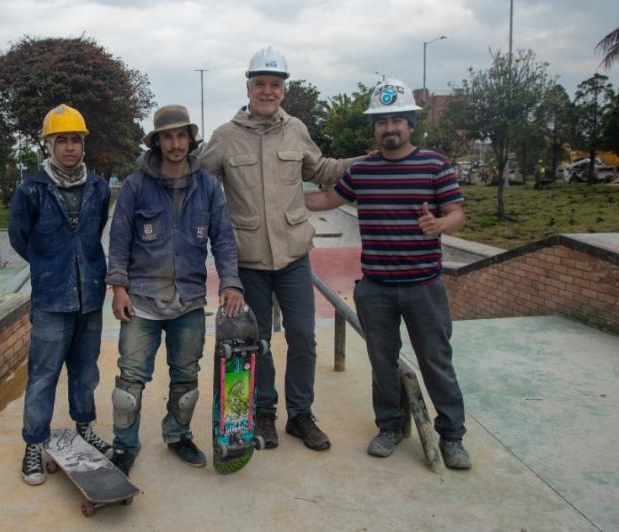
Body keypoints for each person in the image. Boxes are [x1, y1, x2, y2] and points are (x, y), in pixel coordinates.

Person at [304, 78, 472, 470]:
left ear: (411, 124)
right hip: (376, 287)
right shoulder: (363, 170)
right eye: (382, 122)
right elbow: (328, 198)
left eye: (397, 120)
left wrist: (440, 226)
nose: (389, 128)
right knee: (383, 365)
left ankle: (452, 436)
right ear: (374, 128)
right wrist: (277, 198)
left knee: (436, 362)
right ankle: (390, 427)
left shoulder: (435, 165)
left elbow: (458, 213)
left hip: (423, 286)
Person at [198, 46, 358, 452]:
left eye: (275, 84)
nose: (267, 91)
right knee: (259, 342)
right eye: (260, 84)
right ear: (249, 87)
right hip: (248, 261)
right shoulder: (226, 136)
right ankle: (264, 413)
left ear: (284, 90)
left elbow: (320, 171)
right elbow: (198, 180)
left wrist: (366, 162)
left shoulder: (296, 130)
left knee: (303, 337)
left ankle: (301, 415)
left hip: (293, 259)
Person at [107, 105, 244, 474]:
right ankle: (124, 446)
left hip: (189, 302)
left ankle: (178, 435)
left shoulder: (208, 186)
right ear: (157, 141)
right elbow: (119, 241)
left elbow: (225, 241)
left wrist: (231, 281)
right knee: (128, 384)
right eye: (167, 136)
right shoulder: (136, 185)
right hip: (141, 301)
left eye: (182, 135)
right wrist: (118, 287)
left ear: (191, 139)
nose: (175, 143)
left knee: (186, 379)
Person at [9, 104, 112, 485]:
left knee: (86, 372)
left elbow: (96, 228)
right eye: (61, 140)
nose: (69, 148)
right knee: (43, 376)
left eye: (75, 140)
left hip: (90, 296)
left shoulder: (98, 187)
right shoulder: (31, 190)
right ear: (48, 145)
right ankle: (34, 445)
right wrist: (49, 265)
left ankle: (84, 428)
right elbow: (20, 237)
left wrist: (85, 269)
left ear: (83, 144)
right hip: (52, 300)